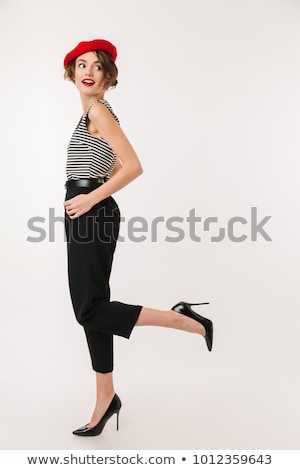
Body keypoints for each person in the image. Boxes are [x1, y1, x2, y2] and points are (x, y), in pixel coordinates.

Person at [63, 39, 214, 437]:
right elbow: (113, 165)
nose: (87, 71)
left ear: (107, 76)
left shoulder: (98, 110)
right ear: (72, 73)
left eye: (96, 65)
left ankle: (179, 318)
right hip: (88, 212)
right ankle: (105, 397)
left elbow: (133, 167)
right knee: (91, 308)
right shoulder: (91, 116)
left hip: (91, 211)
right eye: (80, 64)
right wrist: (89, 198)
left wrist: (89, 198)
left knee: (88, 309)